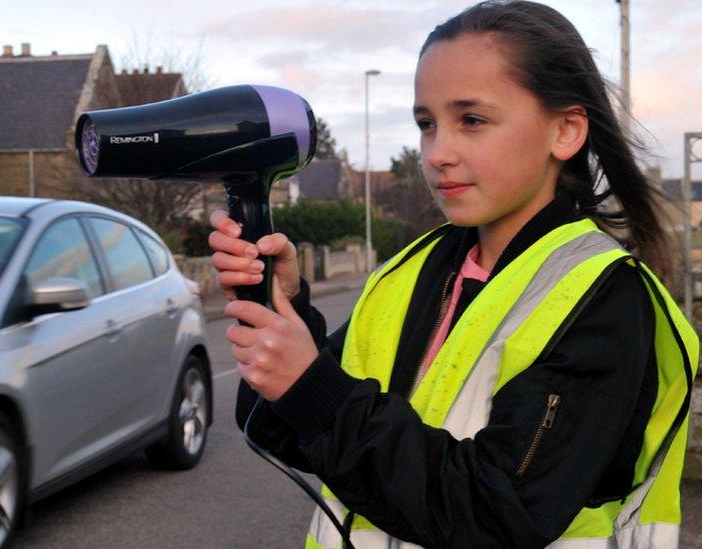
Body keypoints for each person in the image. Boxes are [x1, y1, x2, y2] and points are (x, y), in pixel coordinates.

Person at [208, 1, 698, 548]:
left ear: (565, 131)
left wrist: (314, 386)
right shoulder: (409, 272)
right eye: (426, 124)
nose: (438, 153)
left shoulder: (604, 298)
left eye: (472, 120)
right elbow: (286, 433)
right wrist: (284, 311)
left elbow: (496, 510)